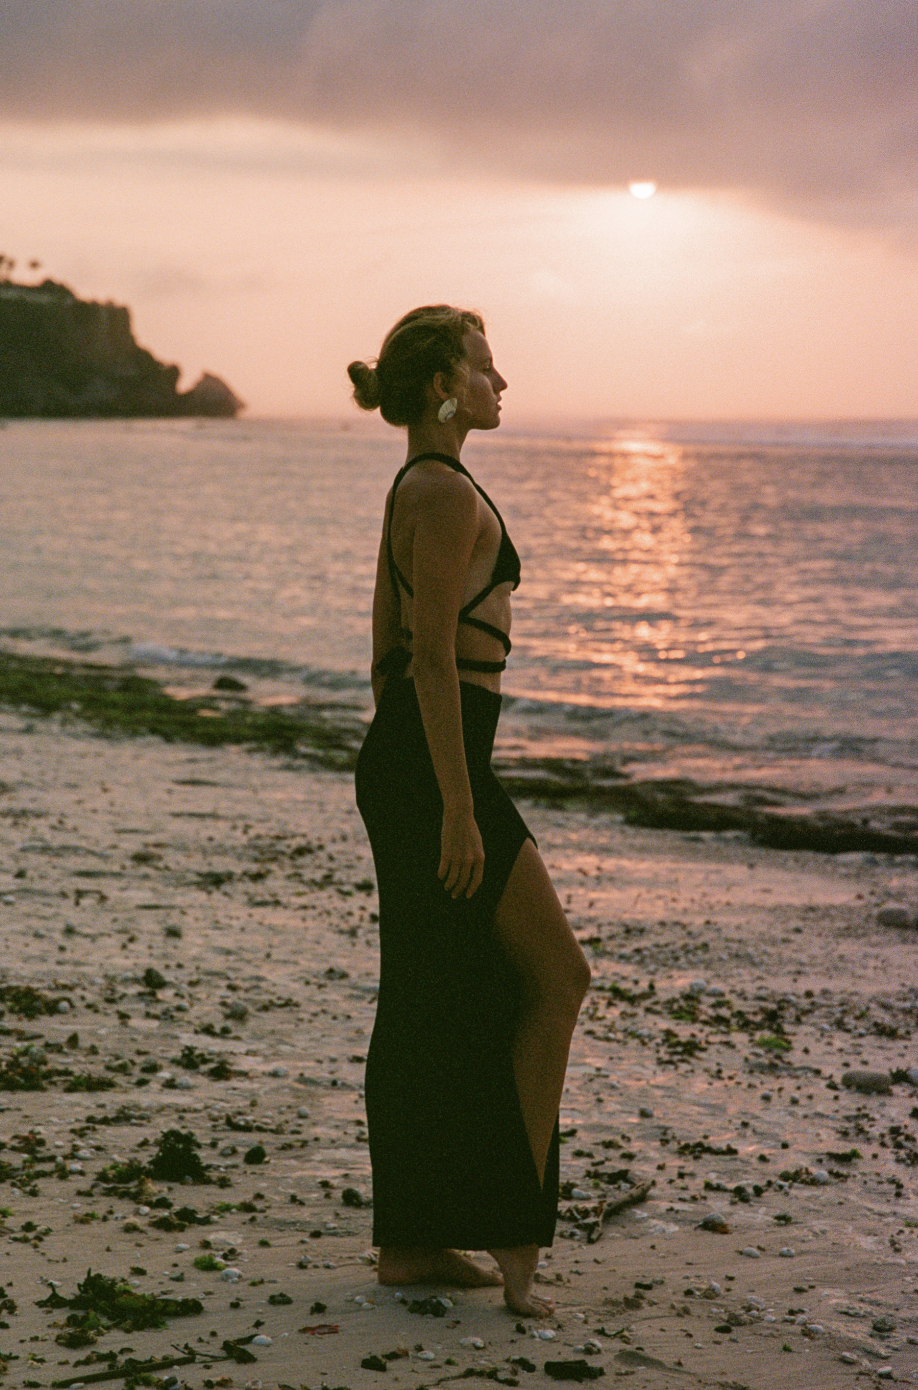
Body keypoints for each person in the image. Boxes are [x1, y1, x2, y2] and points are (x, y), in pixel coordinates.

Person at [349, 306, 590, 1318]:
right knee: (555, 976)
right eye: (487, 367)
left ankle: (413, 1239)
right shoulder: (444, 494)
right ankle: (514, 1240)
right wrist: (455, 803)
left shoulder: (418, 486)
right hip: (439, 764)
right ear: (446, 383)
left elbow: (382, 656)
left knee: (428, 992)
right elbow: (434, 656)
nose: (503, 383)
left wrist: (421, 778)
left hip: (414, 757)